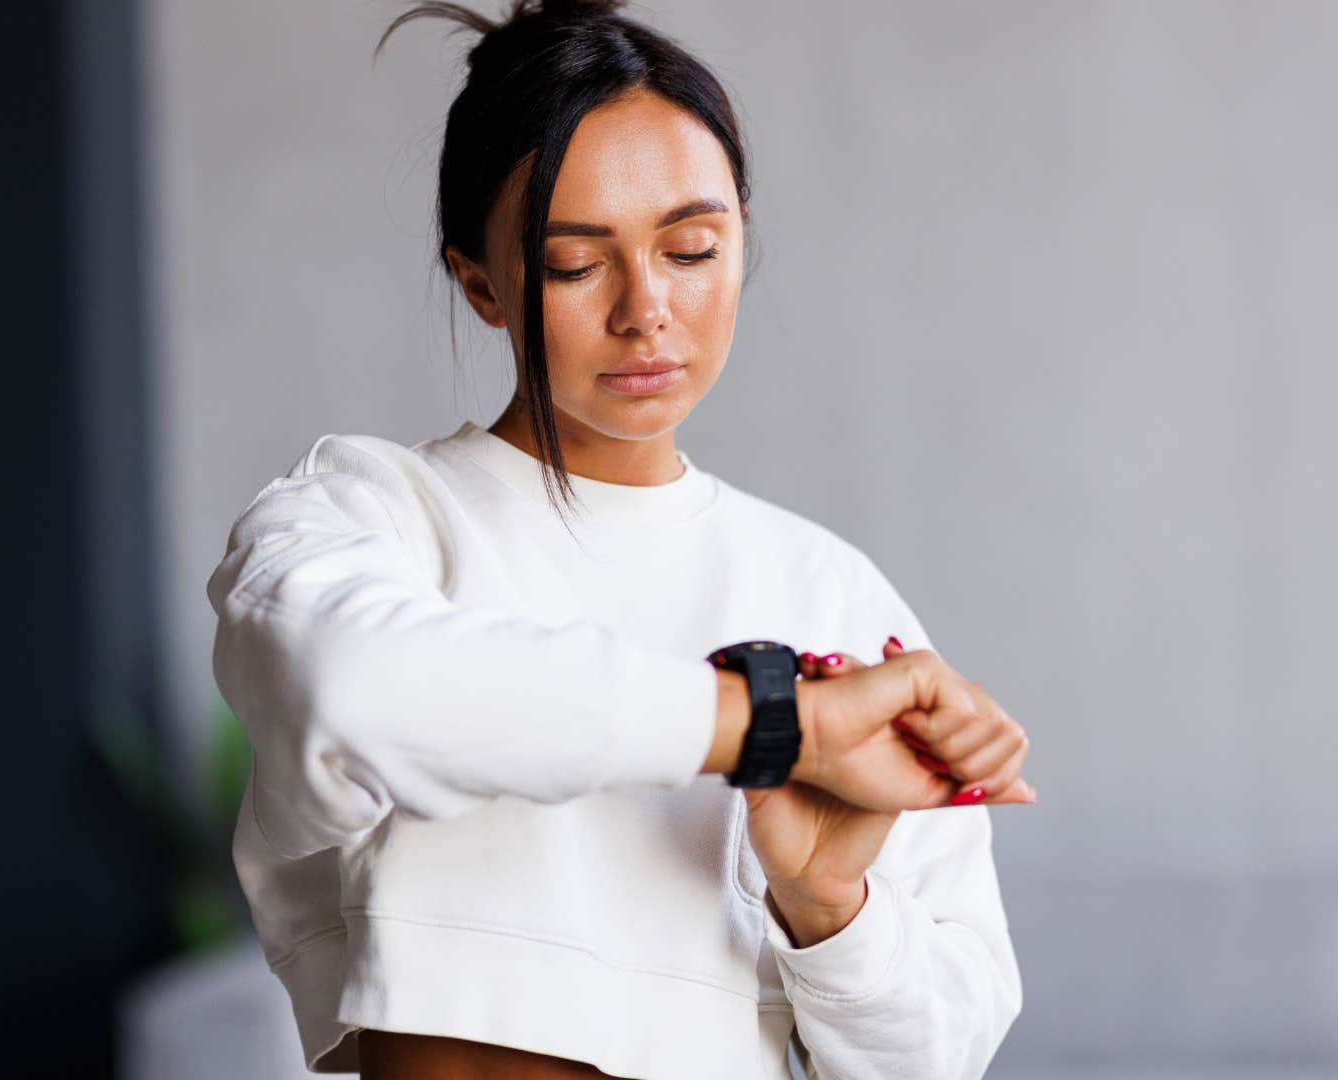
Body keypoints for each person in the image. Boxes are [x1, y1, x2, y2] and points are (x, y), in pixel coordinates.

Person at [205, 1, 1036, 1076]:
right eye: (573, 264)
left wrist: (826, 901)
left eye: (693, 247)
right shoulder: (374, 518)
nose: (649, 309)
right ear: (482, 282)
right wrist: (772, 725)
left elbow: (945, 1052)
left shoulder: (828, 590)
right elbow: (351, 692)